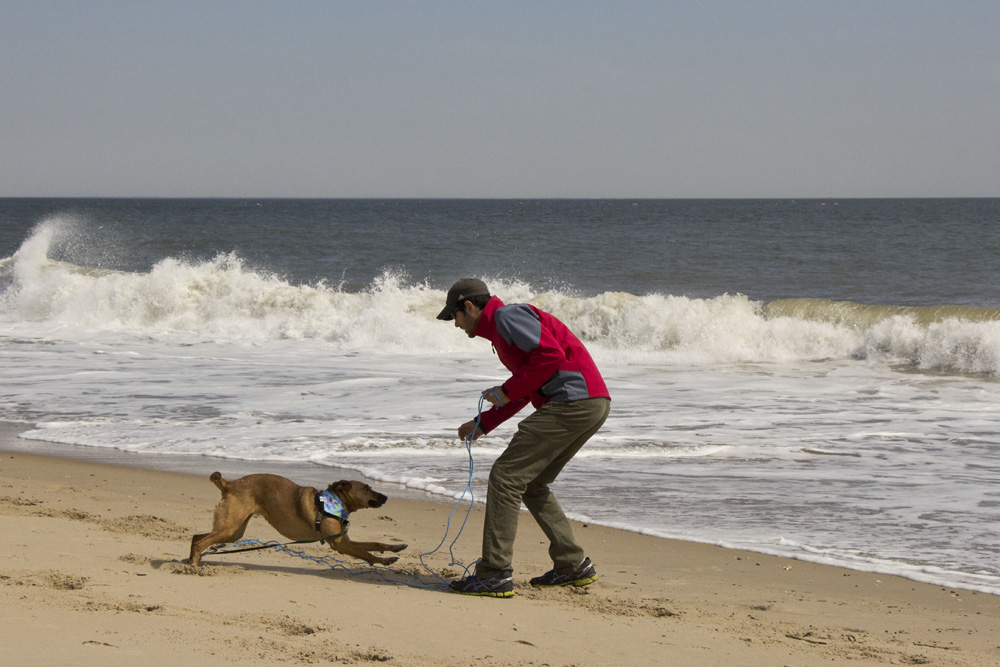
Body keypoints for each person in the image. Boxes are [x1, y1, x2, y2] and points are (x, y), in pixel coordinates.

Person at [437, 278, 611, 597]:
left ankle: (494, 573)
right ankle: (572, 564)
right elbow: (528, 383)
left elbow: (550, 356)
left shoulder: (507, 317)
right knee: (531, 484)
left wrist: (506, 390)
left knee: (505, 478)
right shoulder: (503, 330)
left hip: (572, 402)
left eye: (455, 316)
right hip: (591, 403)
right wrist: (483, 423)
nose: (456, 324)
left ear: (470, 307)